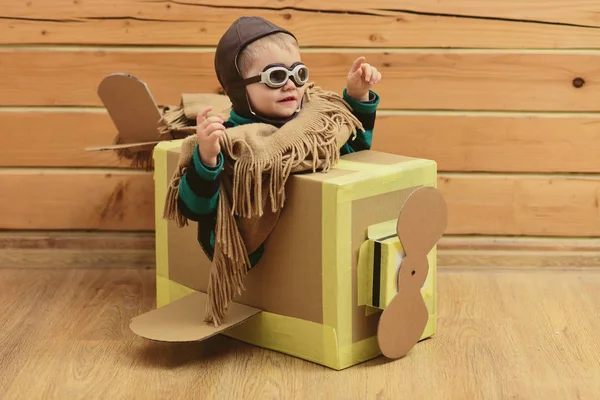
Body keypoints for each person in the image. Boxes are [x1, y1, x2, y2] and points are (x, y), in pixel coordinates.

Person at [177, 16, 382, 267]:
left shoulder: (314, 125)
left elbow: (355, 150)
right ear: (239, 89)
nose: (290, 85)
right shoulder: (230, 141)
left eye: (298, 73)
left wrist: (357, 96)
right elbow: (195, 209)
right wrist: (207, 159)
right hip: (257, 269)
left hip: (311, 258)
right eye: (275, 76)